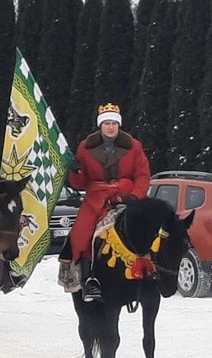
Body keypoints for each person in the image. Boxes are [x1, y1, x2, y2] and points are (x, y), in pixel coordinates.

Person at [62, 103, 151, 302]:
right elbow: (80, 183)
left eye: (114, 123)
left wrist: (135, 196)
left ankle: (150, 272)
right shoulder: (85, 148)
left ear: (119, 125)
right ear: (100, 125)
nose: (110, 127)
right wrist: (75, 171)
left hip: (126, 196)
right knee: (81, 233)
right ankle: (88, 279)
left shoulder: (134, 146)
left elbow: (143, 175)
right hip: (96, 199)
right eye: (107, 123)